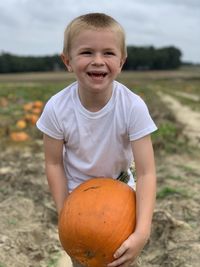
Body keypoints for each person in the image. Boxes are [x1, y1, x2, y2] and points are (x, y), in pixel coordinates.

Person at [36, 12, 157, 267]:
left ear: (121, 61)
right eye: (87, 52)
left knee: (123, 261)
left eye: (109, 53)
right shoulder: (57, 108)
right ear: (67, 61)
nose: (98, 61)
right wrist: (65, 213)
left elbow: (147, 172)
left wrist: (142, 231)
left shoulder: (132, 106)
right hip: (78, 201)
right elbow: (53, 164)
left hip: (121, 199)